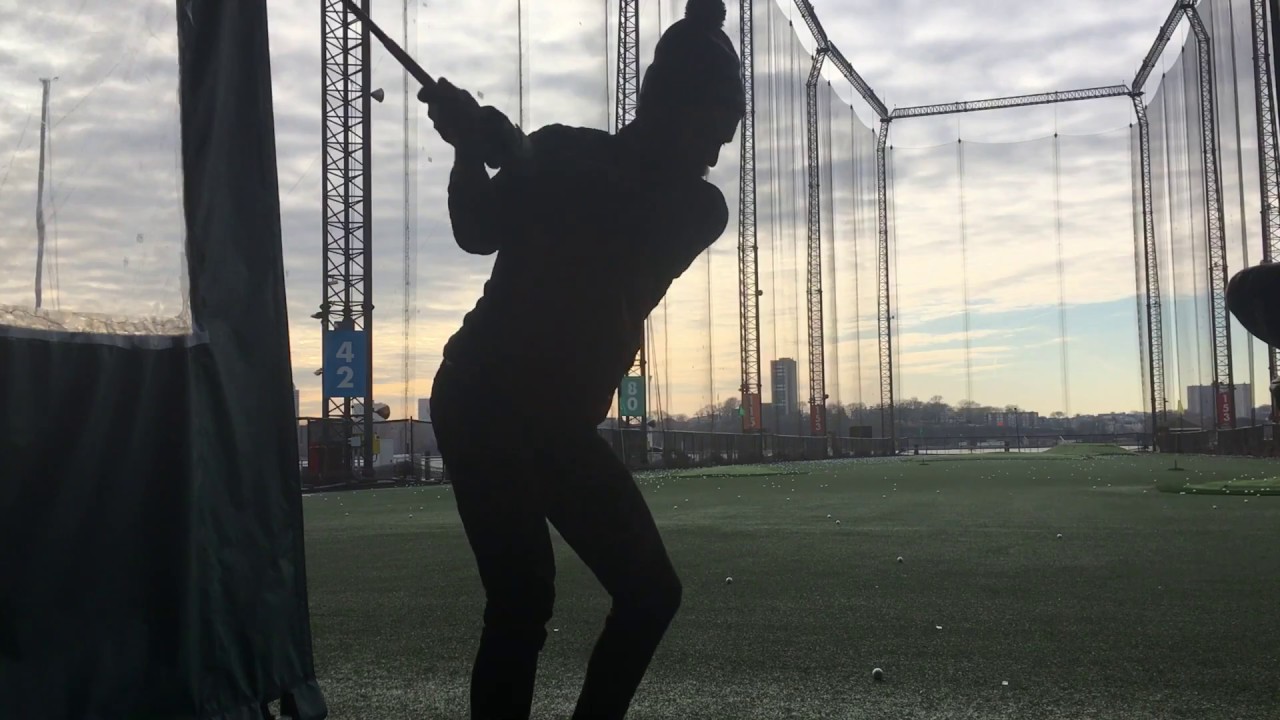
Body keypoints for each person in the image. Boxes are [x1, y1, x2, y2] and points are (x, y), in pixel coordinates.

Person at [425, 1, 743, 718]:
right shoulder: (560, 153)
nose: (716, 153)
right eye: (712, 131)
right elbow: (475, 229)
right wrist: (470, 147)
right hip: (481, 396)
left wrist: (526, 156)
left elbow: (622, 214)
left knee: (651, 592)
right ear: (670, 107)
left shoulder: (698, 207)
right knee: (521, 596)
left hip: (552, 421)